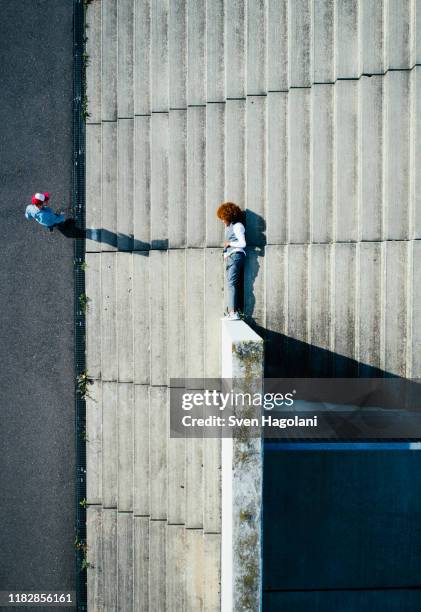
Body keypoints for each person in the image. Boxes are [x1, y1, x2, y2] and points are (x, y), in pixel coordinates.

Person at [217, 201, 246, 321]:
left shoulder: (237, 226)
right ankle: (231, 312)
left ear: (229, 215)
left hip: (237, 255)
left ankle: (233, 312)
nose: (222, 220)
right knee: (231, 284)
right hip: (232, 256)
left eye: (223, 218)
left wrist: (229, 243)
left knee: (231, 284)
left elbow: (243, 243)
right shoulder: (230, 227)